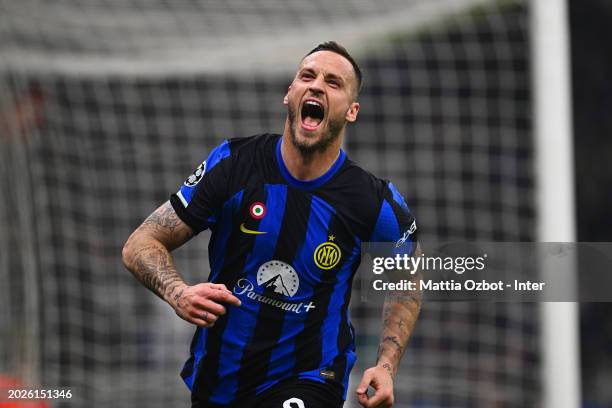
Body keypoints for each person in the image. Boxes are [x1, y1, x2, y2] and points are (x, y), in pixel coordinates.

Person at [122, 41, 421, 408]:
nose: (316, 86)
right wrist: (177, 292)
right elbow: (141, 243)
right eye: (307, 76)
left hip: (310, 376)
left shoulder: (373, 202)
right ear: (289, 94)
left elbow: (407, 278)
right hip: (220, 378)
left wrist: (386, 366)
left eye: (333, 82)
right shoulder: (234, 164)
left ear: (352, 111)